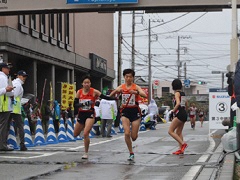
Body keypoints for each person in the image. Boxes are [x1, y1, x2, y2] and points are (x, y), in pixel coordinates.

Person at [73, 75, 116, 159]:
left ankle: (86, 152)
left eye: (88, 83)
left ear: (90, 83)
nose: (87, 84)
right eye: (85, 83)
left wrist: (115, 98)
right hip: (81, 114)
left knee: (86, 133)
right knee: (75, 134)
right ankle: (84, 129)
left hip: (90, 114)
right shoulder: (79, 92)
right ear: (82, 84)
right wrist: (83, 104)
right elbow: (75, 105)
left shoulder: (94, 91)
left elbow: (104, 97)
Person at [110, 69, 147, 161]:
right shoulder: (121, 87)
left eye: (130, 77)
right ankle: (131, 152)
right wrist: (116, 91)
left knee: (133, 137)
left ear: (133, 77)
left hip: (135, 111)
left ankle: (134, 134)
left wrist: (136, 92)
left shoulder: (136, 87)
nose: (128, 78)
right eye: (126, 77)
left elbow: (144, 95)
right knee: (126, 133)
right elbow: (110, 95)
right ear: (124, 77)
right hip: (125, 111)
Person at [9, 70, 28, 151]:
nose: (24, 78)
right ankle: (22, 144)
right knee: (20, 126)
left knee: (5, 126)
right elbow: (14, 95)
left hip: (9, 108)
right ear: (18, 76)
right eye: (23, 76)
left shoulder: (13, 83)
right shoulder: (18, 84)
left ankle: (3, 143)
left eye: (25, 76)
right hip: (15, 108)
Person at [168, 79, 188, 155]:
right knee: (179, 132)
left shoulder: (177, 93)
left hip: (179, 113)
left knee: (170, 131)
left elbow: (178, 103)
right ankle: (181, 149)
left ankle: (183, 144)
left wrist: (173, 111)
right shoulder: (183, 93)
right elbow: (186, 103)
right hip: (184, 113)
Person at [0, 62, 14, 151]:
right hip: (3, 106)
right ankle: (2, 145)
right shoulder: (2, 77)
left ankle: (3, 144)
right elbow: (2, 91)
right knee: (3, 127)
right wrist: (6, 89)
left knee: (3, 126)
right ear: (2, 69)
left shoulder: (4, 77)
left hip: (4, 105)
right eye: (7, 68)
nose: (9, 69)